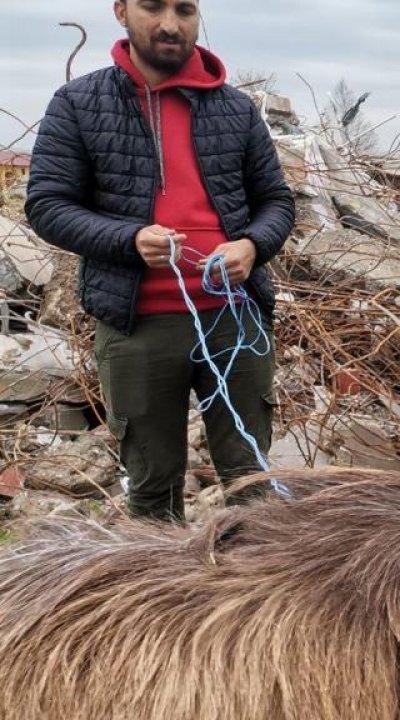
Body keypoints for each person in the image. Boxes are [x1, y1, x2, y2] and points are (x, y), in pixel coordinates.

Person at [25, 0, 295, 522]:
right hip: (137, 326)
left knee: (254, 486)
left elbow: (276, 202)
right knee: (151, 487)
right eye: (153, 6)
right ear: (122, 11)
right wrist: (128, 239)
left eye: (185, 10)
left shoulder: (235, 110)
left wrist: (252, 246)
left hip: (234, 321)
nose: (170, 23)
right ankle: (162, 600)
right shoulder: (79, 104)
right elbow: (47, 205)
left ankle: (250, 598)